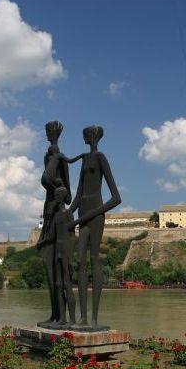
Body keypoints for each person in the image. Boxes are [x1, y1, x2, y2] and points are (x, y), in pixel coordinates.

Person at [70, 125, 121, 328]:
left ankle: (94, 319)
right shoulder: (84, 160)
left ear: (92, 135)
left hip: (95, 216)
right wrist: (68, 213)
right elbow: (78, 194)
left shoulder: (100, 157)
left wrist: (93, 213)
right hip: (82, 216)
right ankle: (83, 318)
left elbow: (116, 197)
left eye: (85, 134)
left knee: (93, 259)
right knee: (80, 261)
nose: (82, 136)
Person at [37, 121, 82, 326]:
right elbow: (45, 181)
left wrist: (58, 189)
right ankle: (55, 314)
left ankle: (64, 318)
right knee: (50, 272)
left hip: (58, 214)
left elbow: (68, 195)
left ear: (56, 132)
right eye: (46, 130)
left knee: (61, 276)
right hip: (48, 215)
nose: (47, 133)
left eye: (50, 130)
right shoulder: (47, 157)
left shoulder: (60, 158)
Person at [36, 186, 76, 326]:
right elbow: (51, 235)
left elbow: (72, 236)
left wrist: (70, 254)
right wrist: (40, 243)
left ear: (62, 197)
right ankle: (61, 319)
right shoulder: (57, 216)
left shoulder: (68, 213)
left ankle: (72, 319)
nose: (56, 197)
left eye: (58, 195)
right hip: (57, 251)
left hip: (65, 251)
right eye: (55, 195)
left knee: (67, 285)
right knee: (58, 285)